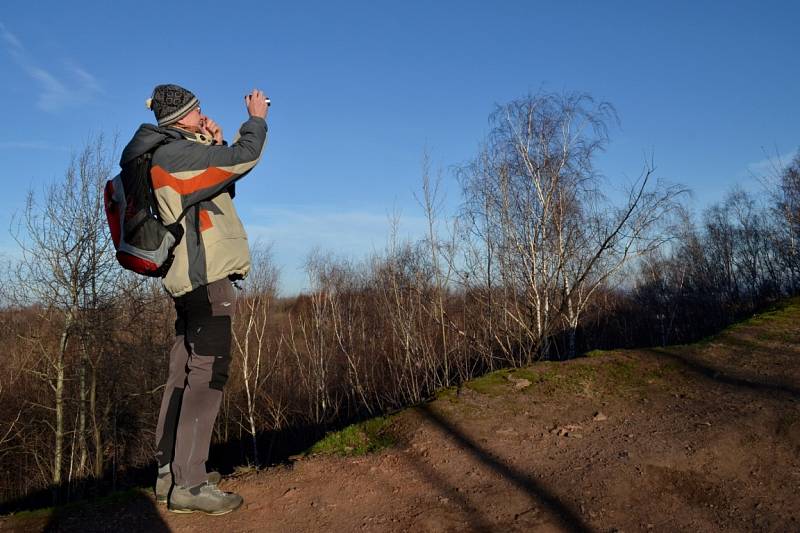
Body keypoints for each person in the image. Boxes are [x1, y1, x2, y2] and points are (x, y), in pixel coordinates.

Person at [119, 83, 269, 514]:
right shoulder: (173, 155)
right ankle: (190, 483)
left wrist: (213, 143)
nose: (203, 113)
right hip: (206, 281)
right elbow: (244, 159)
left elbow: (214, 190)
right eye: (197, 108)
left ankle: (171, 471)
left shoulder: (172, 153)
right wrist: (255, 121)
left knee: (183, 372)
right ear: (180, 116)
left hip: (189, 281)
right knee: (207, 377)